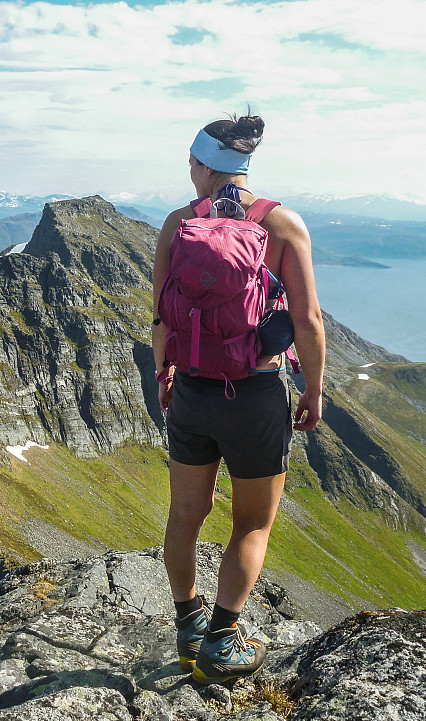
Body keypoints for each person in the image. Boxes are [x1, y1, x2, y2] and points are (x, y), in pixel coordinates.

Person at [151, 112, 325, 684]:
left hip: (193, 391)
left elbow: (159, 317)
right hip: (254, 394)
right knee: (251, 522)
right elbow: (308, 320)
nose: (191, 175)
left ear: (204, 166)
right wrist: (314, 391)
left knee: (185, 513)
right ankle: (223, 641)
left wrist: (165, 376)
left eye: (193, 165)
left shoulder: (178, 225)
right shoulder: (282, 225)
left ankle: (187, 624)